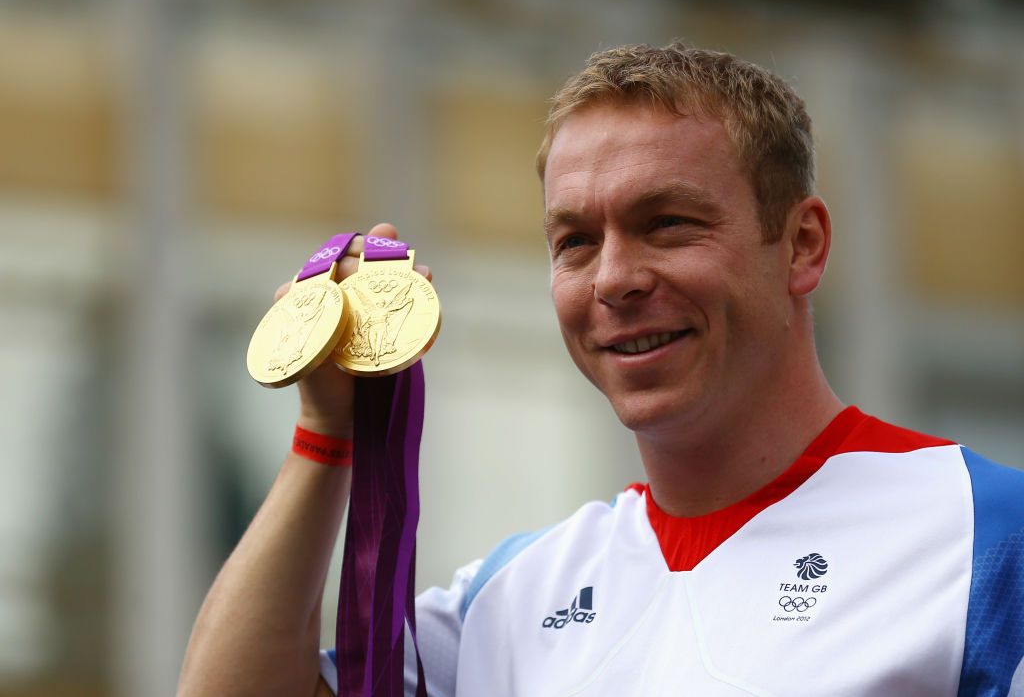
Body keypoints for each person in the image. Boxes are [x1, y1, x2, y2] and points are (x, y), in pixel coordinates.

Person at [178, 43, 1024, 697]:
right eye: (576, 242)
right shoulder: (511, 597)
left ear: (801, 245)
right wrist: (327, 436)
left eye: (667, 224)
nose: (615, 279)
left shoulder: (987, 537)